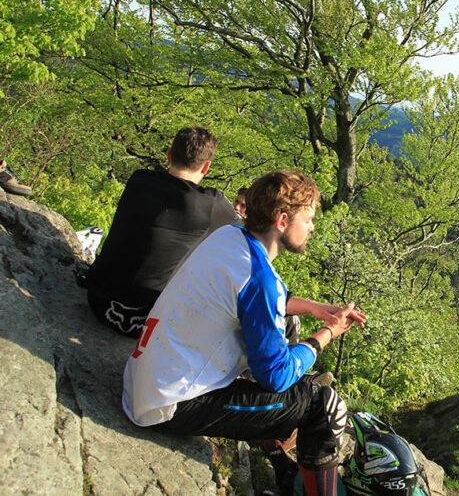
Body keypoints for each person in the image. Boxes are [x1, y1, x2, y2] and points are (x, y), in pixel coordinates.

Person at [123, 170, 366, 496]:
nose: (311, 227)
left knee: (288, 325)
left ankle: (275, 437)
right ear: (282, 221)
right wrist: (326, 333)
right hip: (173, 403)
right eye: (308, 219)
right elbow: (277, 377)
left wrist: (314, 308)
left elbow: (255, 300)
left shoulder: (228, 237)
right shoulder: (260, 279)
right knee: (321, 405)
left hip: (150, 378)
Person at [85, 127, 240, 336]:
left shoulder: (139, 179)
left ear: (168, 154)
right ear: (206, 167)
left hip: (98, 302)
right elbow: (247, 233)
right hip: (147, 322)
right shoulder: (211, 203)